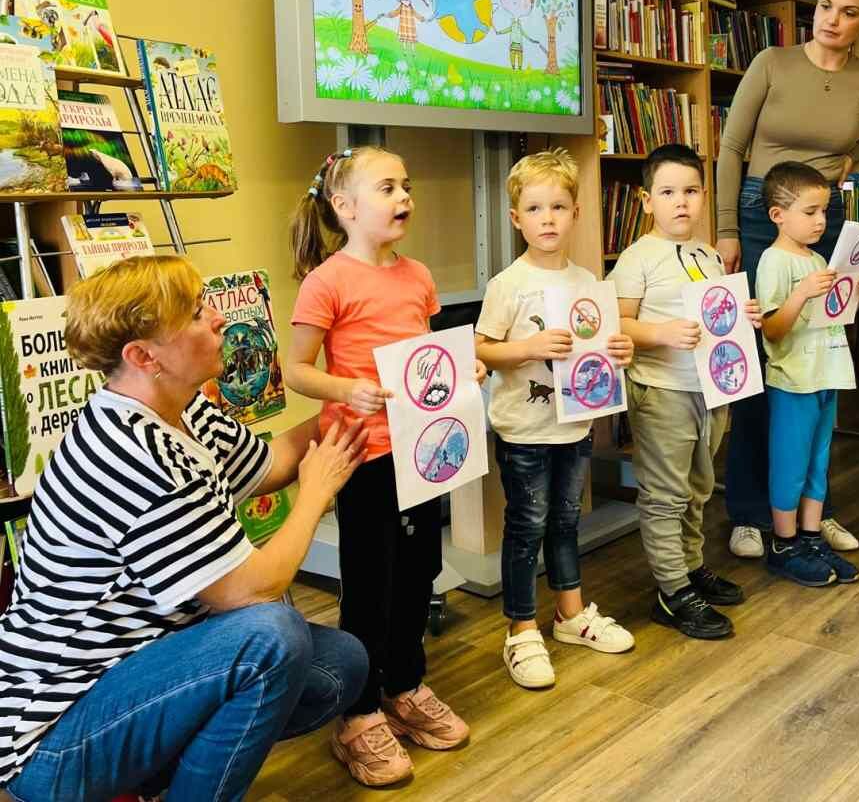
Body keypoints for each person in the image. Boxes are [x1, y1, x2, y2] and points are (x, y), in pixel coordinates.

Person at [0, 255, 370, 802]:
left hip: (140, 667)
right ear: (143, 356)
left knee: (339, 665)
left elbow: (271, 464)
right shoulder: (128, 452)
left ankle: (157, 777)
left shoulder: (184, 410)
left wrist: (358, 400)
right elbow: (251, 589)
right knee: (271, 636)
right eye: (197, 313)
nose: (219, 318)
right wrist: (317, 492)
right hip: (51, 735)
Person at [287, 147, 482, 787]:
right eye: (387, 187)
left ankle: (404, 685)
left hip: (423, 451)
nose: (404, 197)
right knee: (371, 582)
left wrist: (464, 370)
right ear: (344, 207)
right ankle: (359, 713)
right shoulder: (327, 281)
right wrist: (346, 389)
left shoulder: (418, 275)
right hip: (365, 456)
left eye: (406, 185)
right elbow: (296, 369)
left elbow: (427, 357)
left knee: (420, 570)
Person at [715, 0, 859, 560]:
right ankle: (750, 512)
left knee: (820, 360)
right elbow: (731, 147)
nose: (832, 20)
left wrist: (856, 152)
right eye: (826, 5)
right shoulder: (772, 63)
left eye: (849, 11)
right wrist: (726, 228)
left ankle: (810, 510)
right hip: (760, 213)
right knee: (763, 362)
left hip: (825, 217)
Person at [475, 148, 635, 689]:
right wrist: (528, 347)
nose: (548, 219)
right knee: (526, 527)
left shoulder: (589, 282)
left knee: (567, 521)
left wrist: (619, 352)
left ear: (576, 214)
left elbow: (601, 346)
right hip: (524, 430)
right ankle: (521, 630)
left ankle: (570, 613)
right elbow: (481, 349)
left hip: (576, 427)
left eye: (559, 207)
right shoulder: (508, 284)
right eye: (535, 208)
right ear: (516, 218)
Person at [611, 144, 761, 638]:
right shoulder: (637, 258)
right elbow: (617, 322)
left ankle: (692, 567)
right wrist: (661, 333)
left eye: (692, 191)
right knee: (665, 494)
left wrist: (743, 316)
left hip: (710, 389)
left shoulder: (709, 255)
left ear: (704, 196)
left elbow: (717, 314)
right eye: (668, 192)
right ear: (646, 200)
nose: (681, 202)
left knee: (698, 487)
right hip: (663, 390)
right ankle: (672, 591)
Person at [755, 163, 859, 587]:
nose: (821, 220)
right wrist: (801, 292)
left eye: (824, 211)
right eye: (810, 212)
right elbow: (772, 329)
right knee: (790, 463)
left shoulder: (819, 258)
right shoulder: (773, 261)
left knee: (818, 462)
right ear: (778, 215)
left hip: (827, 372)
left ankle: (810, 538)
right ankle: (783, 543)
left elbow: (834, 315)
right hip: (794, 380)